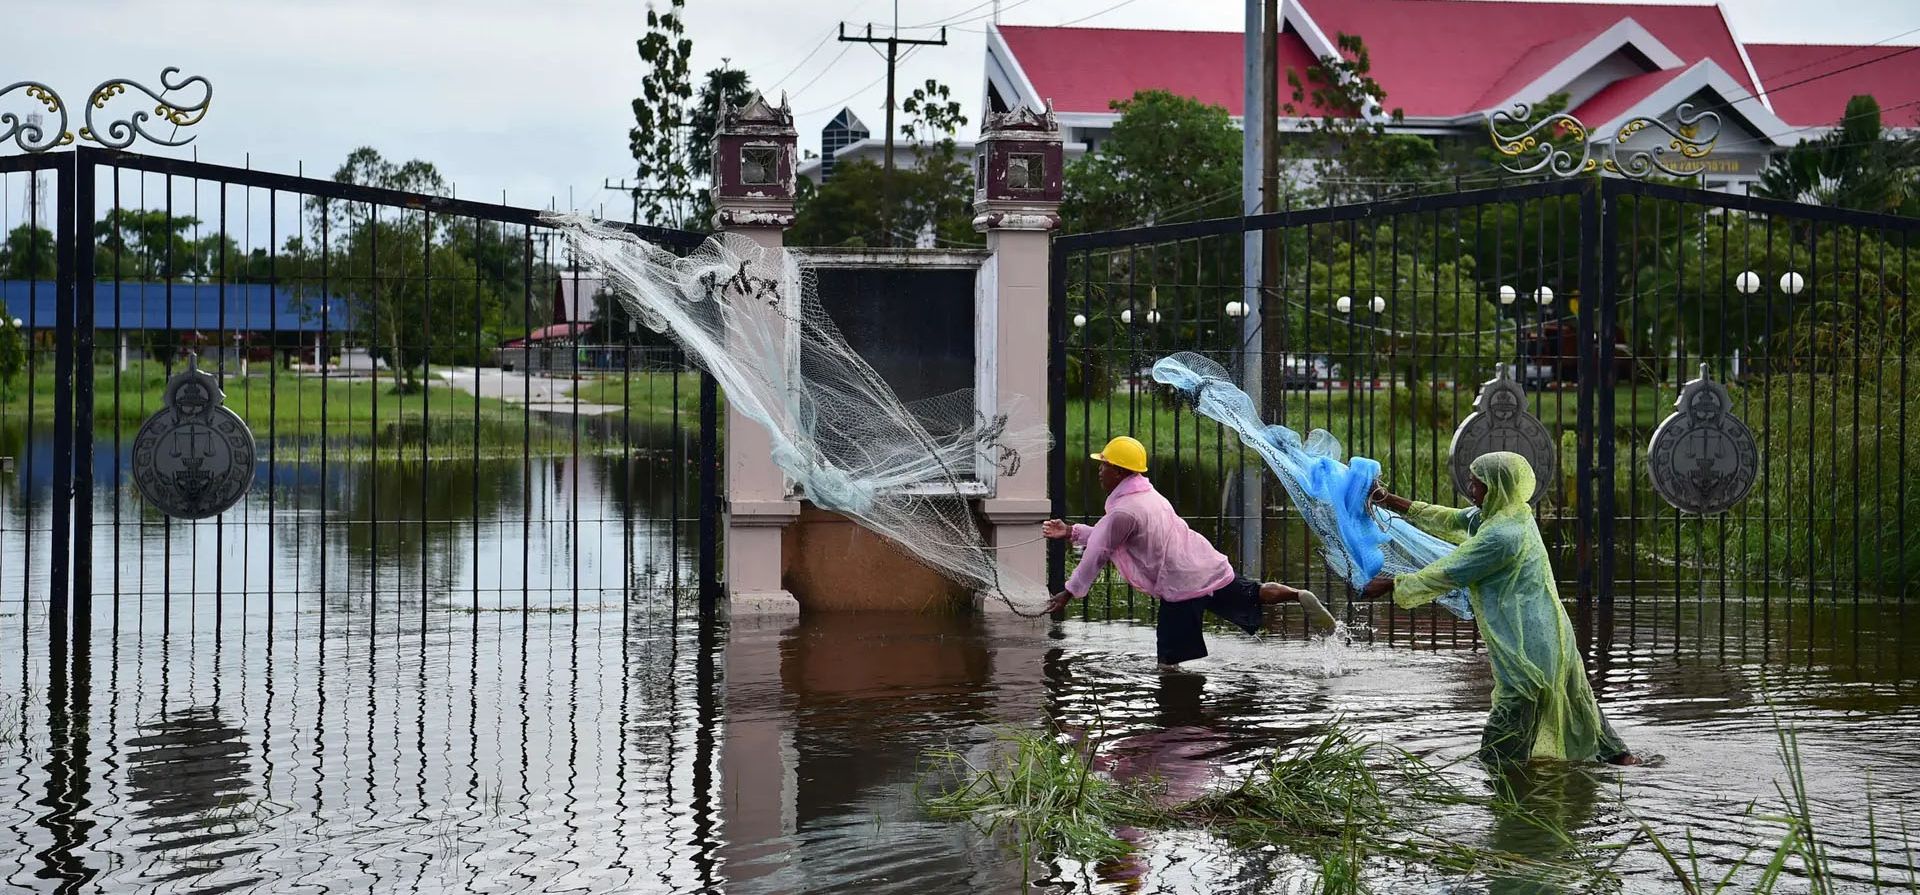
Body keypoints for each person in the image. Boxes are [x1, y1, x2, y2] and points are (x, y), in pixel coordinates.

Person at [1362, 451, 1636, 766]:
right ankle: (1621, 761)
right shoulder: (1510, 512)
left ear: (1497, 487)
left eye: (1477, 484)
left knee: (1504, 740)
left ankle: (1506, 788)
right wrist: (1389, 499)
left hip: (1526, 643)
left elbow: (1450, 572)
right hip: (1550, 633)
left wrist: (1391, 584)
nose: (1471, 489)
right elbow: (1452, 519)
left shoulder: (1502, 537)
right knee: (1576, 702)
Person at [1044, 436, 1336, 670]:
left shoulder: (1123, 511)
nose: (1099, 469)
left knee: (1169, 665)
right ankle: (1298, 595)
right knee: (1254, 592)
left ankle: (1183, 725)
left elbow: (1098, 552)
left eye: (1104, 464)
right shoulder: (1149, 496)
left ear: (1120, 472)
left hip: (1181, 585)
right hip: (1207, 567)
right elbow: (1109, 538)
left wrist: (1068, 593)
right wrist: (1071, 532)